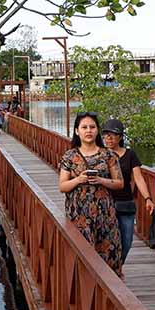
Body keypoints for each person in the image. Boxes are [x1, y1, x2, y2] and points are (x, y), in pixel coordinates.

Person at [58, 112, 125, 276]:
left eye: (92, 127)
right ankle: (84, 296)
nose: (88, 131)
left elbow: (120, 183)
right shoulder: (70, 156)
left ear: (97, 130)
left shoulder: (108, 155)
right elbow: (63, 186)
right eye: (84, 127)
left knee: (109, 254)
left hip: (105, 215)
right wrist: (79, 179)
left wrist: (102, 181)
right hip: (79, 214)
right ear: (77, 131)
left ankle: (111, 296)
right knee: (83, 257)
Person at [100, 119, 154, 264]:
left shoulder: (130, 155)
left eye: (113, 135)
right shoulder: (100, 155)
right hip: (105, 204)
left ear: (121, 137)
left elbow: (138, 178)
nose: (109, 138)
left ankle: (118, 266)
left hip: (125, 203)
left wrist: (148, 198)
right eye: (105, 135)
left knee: (127, 240)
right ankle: (110, 271)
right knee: (105, 240)